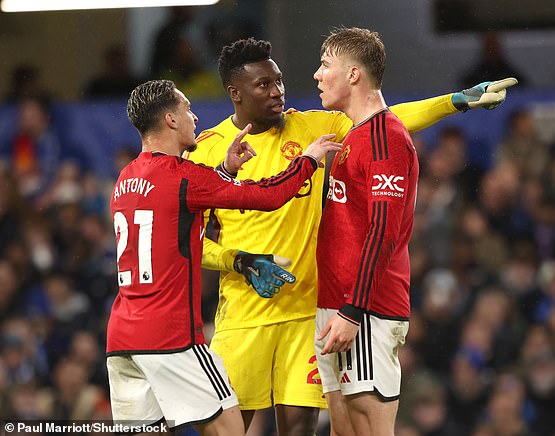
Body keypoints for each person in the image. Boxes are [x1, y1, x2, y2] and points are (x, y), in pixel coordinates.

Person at [184, 37, 514, 435]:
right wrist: (239, 260)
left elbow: (386, 120)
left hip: (310, 314)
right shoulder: (207, 151)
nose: (277, 92)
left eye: (279, 81)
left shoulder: (314, 126)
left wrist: (455, 101)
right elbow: (187, 242)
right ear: (235, 93)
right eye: (263, 86)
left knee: (309, 429)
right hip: (242, 318)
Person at [105, 79, 340, 435]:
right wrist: (307, 160)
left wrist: (224, 172)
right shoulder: (182, 176)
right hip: (173, 338)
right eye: (186, 109)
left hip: (122, 340)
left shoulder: (126, 179)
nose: (194, 117)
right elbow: (268, 196)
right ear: (170, 119)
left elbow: (176, 210)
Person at [311, 27, 514, 435]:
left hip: (363, 310)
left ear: (353, 75)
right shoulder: (357, 134)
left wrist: (354, 310)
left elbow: (383, 232)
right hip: (337, 306)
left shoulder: (386, 140)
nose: (316, 75)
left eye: (325, 65)